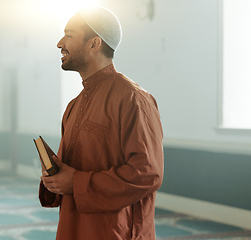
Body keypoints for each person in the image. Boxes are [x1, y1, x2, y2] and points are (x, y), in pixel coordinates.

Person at [39, 6, 164, 240]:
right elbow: (73, 170)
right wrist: (55, 178)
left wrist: (76, 182)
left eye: (69, 35)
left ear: (94, 43)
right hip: (73, 226)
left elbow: (147, 173)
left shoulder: (133, 99)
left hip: (115, 230)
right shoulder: (73, 106)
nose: (59, 43)